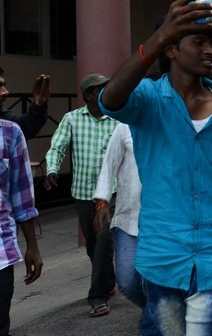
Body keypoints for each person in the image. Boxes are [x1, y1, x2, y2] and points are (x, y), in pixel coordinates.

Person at [99, 0, 212, 334]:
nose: (209, 50)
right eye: (199, 41)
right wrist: (158, 36)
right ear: (171, 49)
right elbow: (109, 99)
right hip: (163, 254)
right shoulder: (147, 99)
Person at [44, 73, 119, 318]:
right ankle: (108, 281)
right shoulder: (72, 119)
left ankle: (97, 297)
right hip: (83, 193)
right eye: (99, 89)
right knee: (94, 246)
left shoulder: (118, 120)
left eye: (106, 88)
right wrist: (52, 168)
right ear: (87, 95)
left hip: (111, 194)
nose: (105, 92)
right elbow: (57, 146)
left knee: (105, 242)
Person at [93, 123, 145, 310]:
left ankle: (159, 318)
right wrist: (102, 202)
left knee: (162, 281)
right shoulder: (124, 127)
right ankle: (154, 313)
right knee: (127, 282)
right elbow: (109, 164)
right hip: (128, 218)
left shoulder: (169, 120)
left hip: (163, 220)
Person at [0, 119, 42, 336]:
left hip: (1, 255)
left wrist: (32, 246)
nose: (5, 93)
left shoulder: (10, 132)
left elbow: (21, 195)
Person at [0, 67, 51, 140]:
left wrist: (39, 104)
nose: (6, 92)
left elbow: (26, 127)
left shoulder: (3, 115)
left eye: (3, 86)